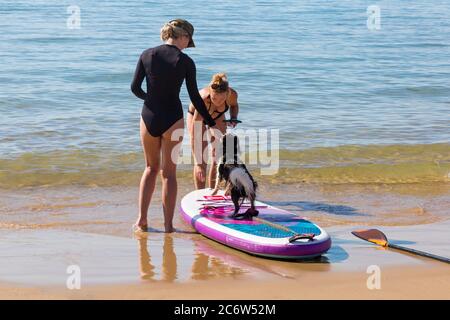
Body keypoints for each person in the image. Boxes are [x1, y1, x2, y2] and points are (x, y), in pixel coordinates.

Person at [131, 19, 216, 233]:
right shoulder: (185, 61)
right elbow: (195, 97)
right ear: (183, 37)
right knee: (168, 174)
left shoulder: (147, 54)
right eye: (189, 39)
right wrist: (210, 120)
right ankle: (168, 226)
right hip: (173, 119)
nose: (189, 43)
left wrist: (150, 101)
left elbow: (134, 88)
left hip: (149, 116)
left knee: (150, 168)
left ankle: (142, 220)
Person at [186, 73, 239, 189]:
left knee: (218, 155)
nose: (218, 102)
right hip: (197, 117)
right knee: (201, 159)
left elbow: (234, 106)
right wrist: (197, 162)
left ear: (227, 93)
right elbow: (195, 134)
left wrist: (233, 117)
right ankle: (199, 193)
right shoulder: (203, 100)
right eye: (214, 98)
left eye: (222, 99)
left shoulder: (232, 95)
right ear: (210, 93)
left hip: (217, 116)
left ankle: (212, 190)